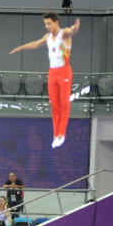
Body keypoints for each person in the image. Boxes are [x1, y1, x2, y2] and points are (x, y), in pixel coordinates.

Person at [9, 13, 80, 148]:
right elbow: (36, 44)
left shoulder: (64, 34)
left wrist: (75, 27)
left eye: (49, 23)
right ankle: (55, 133)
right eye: (45, 24)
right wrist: (21, 47)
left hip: (64, 71)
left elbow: (72, 31)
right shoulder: (48, 37)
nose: (47, 26)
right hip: (52, 73)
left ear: (56, 22)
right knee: (54, 104)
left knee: (64, 103)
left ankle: (62, 134)